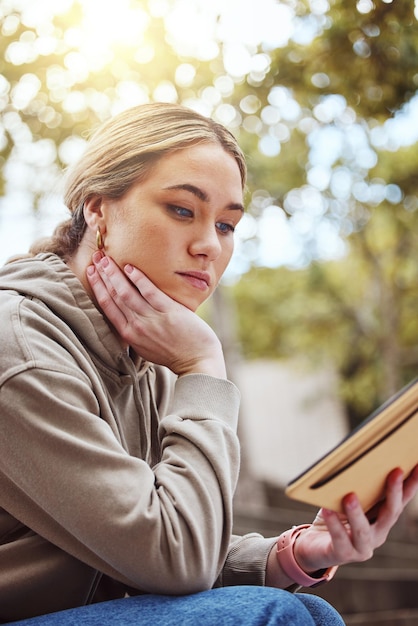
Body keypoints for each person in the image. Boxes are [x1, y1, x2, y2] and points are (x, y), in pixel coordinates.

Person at [0, 102, 417, 626]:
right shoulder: (21, 351)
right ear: (97, 209)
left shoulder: (138, 353)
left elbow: (152, 539)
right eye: (181, 210)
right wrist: (202, 367)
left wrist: (295, 554)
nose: (208, 246)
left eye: (226, 224)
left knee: (308, 607)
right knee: (271, 615)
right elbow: (174, 557)